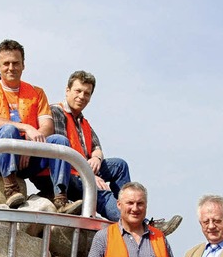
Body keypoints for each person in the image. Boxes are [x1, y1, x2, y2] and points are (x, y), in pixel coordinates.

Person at [50, 71, 181, 234]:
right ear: (67, 90)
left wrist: (97, 157)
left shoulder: (82, 121)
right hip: (66, 175)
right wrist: (90, 176)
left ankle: (129, 202)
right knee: (100, 192)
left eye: (87, 93)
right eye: (78, 91)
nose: (82, 96)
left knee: (119, 165)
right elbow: (63, 153)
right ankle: (139, 223)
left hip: (82, 170)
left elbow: (96, 146)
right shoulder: (56, 112)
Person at [0, 39, 81, 211]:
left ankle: (60, 198)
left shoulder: (37, 92)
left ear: (23, 65)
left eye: (16, 63)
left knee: (59, 140)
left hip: (27, 158)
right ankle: (10, 189)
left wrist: (29, 148)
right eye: (6, 64)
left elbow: (47, 126)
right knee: (8, 129)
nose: (11, 68)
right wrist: (26, 128)